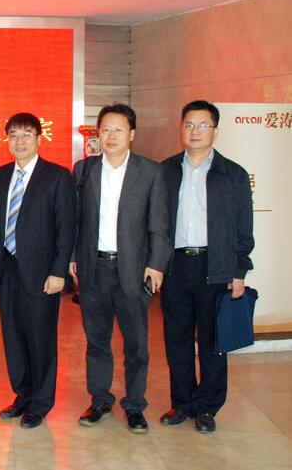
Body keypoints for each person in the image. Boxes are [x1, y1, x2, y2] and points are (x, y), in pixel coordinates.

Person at [70, 103, 172, 433]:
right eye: (106, 130)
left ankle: (134, 404)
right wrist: (72, 257)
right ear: (98, 134)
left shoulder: (151, 172)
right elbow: (75, 220)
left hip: (133, 270)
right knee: (97, 340)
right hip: (94, 268)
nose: (111, 136)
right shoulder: (84, 170)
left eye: (118, 130)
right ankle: (100, 399)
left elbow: (160, 224)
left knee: (136, 344)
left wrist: (156, 264)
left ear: (132, 134)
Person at [159, 100, 254, 433]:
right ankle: (182, 403)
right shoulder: (166, 171)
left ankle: (207, 407)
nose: (195, 131)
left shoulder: (233, 174)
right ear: (181, 128)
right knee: (177, 338)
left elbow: (244, 227)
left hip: (216, 266)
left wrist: (239, 271)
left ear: (215, 130)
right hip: (176, 266)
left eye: (203, 125)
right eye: (189, 124)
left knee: (213, 341)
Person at [0, 113, 75, 429]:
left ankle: (41, 402)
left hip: (42, 273)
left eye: (26, 134)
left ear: (39, 138)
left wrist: (58, 271)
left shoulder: (57, 176)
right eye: (13, 135)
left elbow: (67, 228)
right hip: (7, 268)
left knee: (40, 338)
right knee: (13, 336)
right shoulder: (0, 176)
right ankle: (22, 395)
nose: (19, 141)